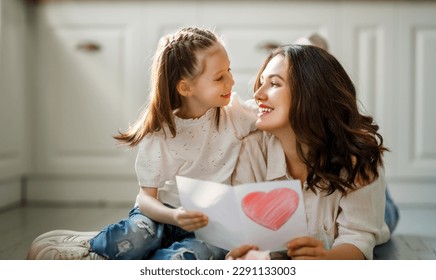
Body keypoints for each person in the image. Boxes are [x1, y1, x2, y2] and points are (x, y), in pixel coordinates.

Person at [26, 27, 257, 260]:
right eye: (220, 77)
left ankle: (140, 261)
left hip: (209, 225)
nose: (232, 80)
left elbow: (275, 113)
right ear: (185, 88)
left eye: (229, 70)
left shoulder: (236, 115)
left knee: (191, 257)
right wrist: (175, 216)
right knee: (136, 238)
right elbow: (147, 200)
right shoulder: (160, 132)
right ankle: (94, 248)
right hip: (160, 216)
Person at [228, 44, 396, 260]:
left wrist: (325, 261)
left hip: (362, 202)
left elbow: (359, 238)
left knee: (385, 221)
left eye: (274, 84)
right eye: (261, 84)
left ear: (310, 93)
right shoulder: (250, 151)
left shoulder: (358, 160)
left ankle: (385, 197)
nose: (258, 94)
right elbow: (251, 240)